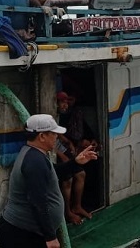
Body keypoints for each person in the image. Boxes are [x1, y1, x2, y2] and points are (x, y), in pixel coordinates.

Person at [0, 114, 98, 248]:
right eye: (54, 133)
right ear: (42, 136)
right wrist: (50, 237)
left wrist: (76, 162)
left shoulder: (35, 154)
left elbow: (52, 172)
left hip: (26, 232)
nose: (57, 137)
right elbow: (38, 201)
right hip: (22, 234)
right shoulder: (34, 161)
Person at [55, 93, 95, 224]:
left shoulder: (60, 115)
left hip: (63, 149)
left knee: (81, 174)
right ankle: (67, 213)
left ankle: (76, 206)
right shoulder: (48, 115)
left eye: (67, 102)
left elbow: (58, 135)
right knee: (67, 180)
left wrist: (69, 143)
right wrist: (62, 156)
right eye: (62, 102)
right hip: (55, 154)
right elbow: (49, 143)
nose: (65, 105)